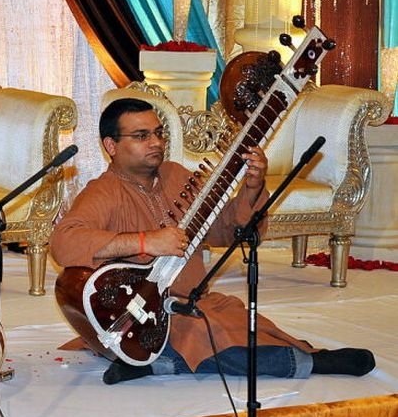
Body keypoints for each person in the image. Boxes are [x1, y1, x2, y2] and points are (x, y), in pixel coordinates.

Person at [50, 98, 375, 384]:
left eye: (158, 133)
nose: (155, 143)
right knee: (206, 336)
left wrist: (252, 187)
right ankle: (312, 364)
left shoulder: (176, 175)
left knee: (241, 324)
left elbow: (225, 231)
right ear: (111, 146)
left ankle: (160, 364)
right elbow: (64, 242)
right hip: (139, 315)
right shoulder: (103, 191)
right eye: (141, 136)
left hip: (189, 302)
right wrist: (145, 241)